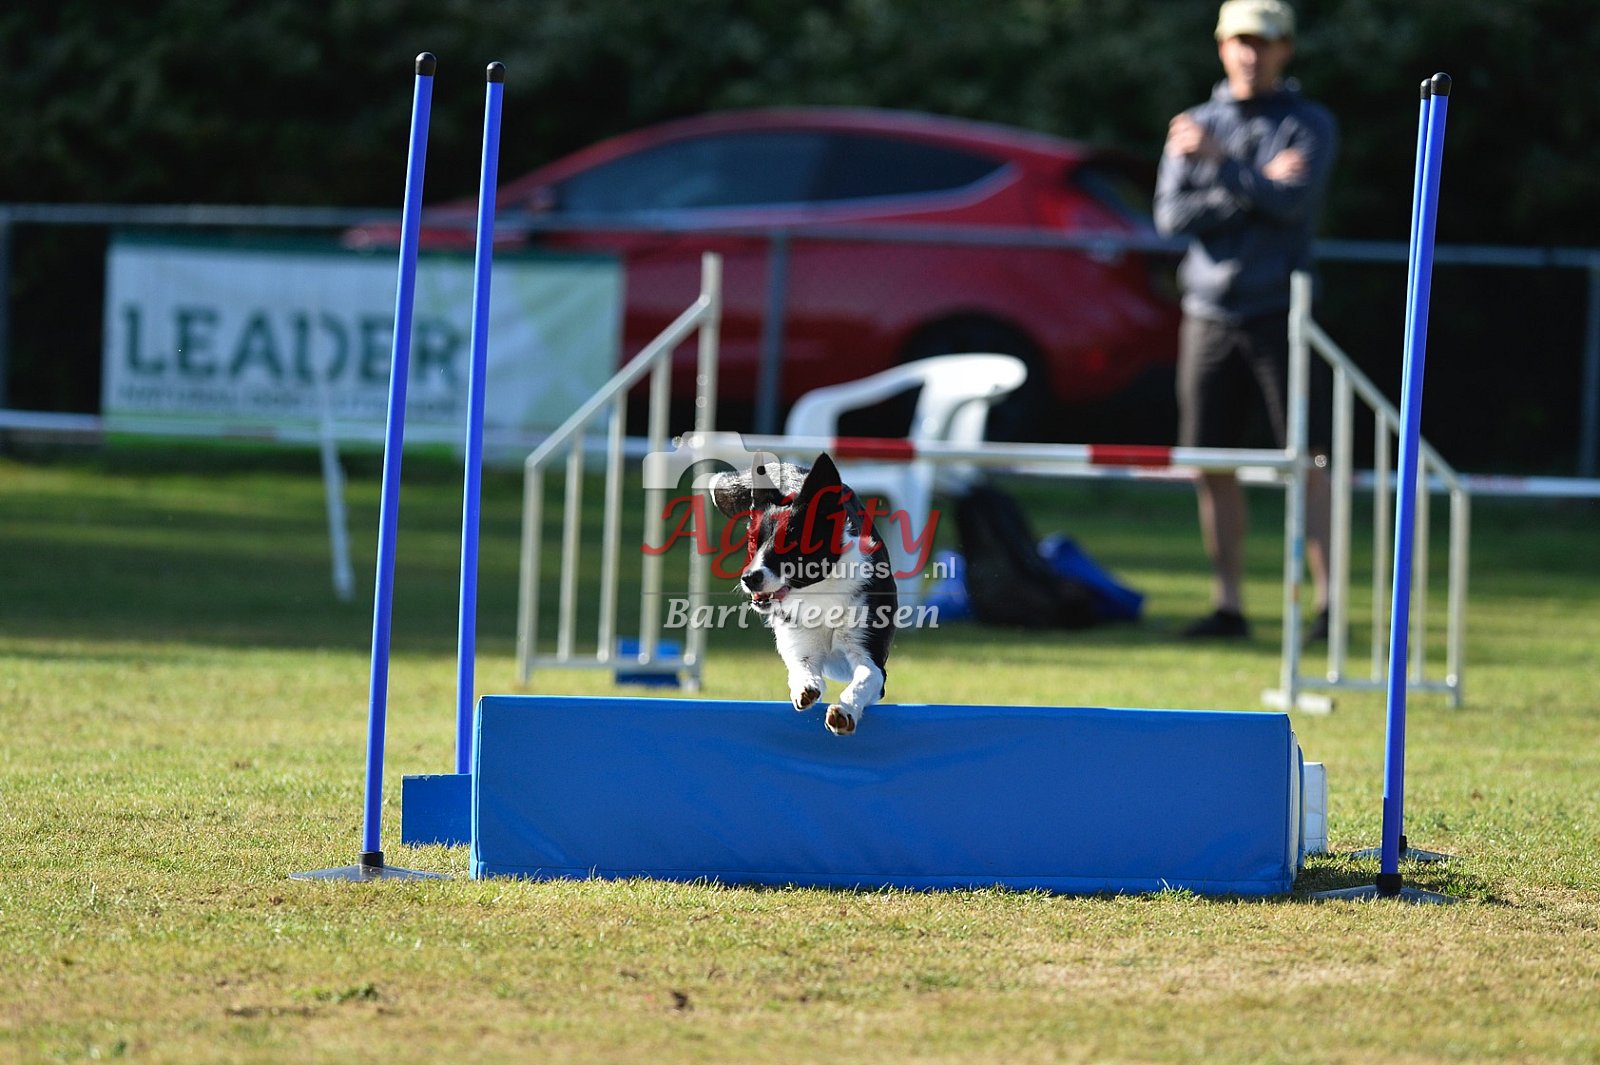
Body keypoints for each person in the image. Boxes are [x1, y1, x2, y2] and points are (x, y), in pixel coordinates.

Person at [1154, 0, 1338, 639]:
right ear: (1221, 46)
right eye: (1240, 41)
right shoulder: (1193, 124)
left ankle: (1328, 607)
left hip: (1284, 314)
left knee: (1312, 460)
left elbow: (1292, 204)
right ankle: (1228, 606)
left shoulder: (1308, 122)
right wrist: (1254, 182)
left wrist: (1220, 166)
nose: (1250, 53)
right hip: (1206, 313)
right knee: (1209, 463)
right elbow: (1171, 218)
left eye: (1263, 42)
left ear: (1285, 48)